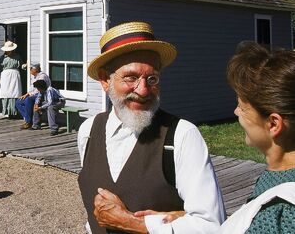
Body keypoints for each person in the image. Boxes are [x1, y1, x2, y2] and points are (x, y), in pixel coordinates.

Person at [77, 21, 225, 234]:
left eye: (152, 78)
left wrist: (134, 223)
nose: (144, 90)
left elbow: (212, 226)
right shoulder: (88, 131)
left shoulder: (182, 135)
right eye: (131, 77)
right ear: (104, 80)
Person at [219, 42, 295, 233]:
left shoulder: (284, 213)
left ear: (273, 124)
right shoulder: (277, 174)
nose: (236, 112)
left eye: (243, 108)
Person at [15, 63, 51, 130]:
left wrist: (28, 95)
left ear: (36, 70)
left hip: (43, 94)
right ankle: (28, 119)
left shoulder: (42, 77)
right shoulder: (35, 77)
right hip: (35, 94)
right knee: (18, 102)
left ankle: (28, 122)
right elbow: (33, 89)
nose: (30, 70)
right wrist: (26, 94)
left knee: (28, 100)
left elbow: (39, 90)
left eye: (31, 69)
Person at [0, 41, 22, 118]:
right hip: (5, 76)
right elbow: (0, 69)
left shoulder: (17, 56)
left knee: (15, 92)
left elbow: (21, 64)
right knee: (6, 92)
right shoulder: (3, 58)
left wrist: (25, 65)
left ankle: (14, 112)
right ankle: (6, 110)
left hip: (14, 75)